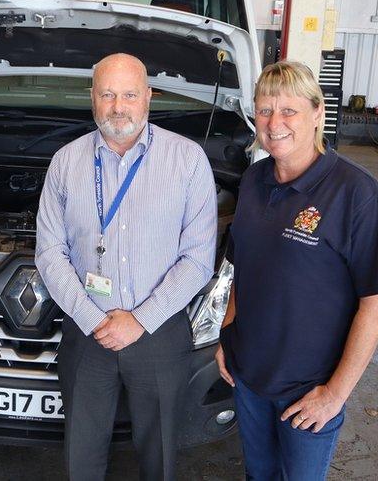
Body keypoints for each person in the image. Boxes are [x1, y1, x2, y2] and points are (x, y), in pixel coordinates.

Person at [35, 53, 218, 480]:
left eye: (130, 94)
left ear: (149, 97)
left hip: (158, 334)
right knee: (81, 455)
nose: (119, 107)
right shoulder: (66, 161)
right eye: (108, 95)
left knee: (159, 456)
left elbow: (197, 258)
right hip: (86, 333)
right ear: (93, 99)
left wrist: (140, 320)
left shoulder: (187, 160)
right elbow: (49, 251)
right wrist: (92, 316)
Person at [215, 61, 378, 480]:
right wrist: (229, 332)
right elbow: (243, 266)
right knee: (258, 475)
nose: (274, 123)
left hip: (309, 391)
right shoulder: (254, 180)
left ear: (318, 114)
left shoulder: (357, 194)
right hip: (250, 377)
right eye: (264, 110)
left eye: (289, 111)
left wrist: (335, 394)